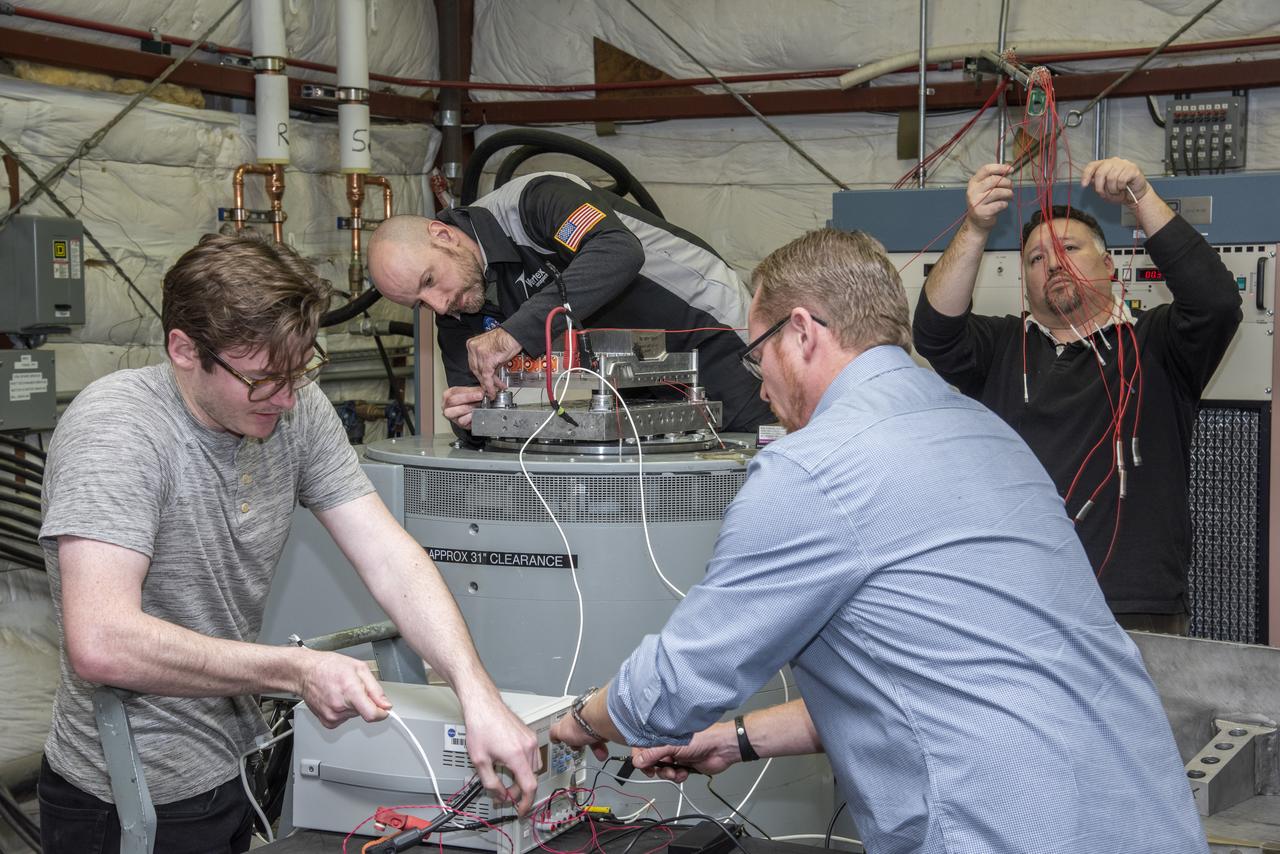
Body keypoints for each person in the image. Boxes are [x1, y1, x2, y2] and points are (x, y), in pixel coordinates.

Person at [548, 228, 1206, 854]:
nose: (760, 383)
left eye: (758, 353)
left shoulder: (814, 469)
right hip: (1145, 813)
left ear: (802, 332)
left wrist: (574, 725)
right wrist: (737, 740)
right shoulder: (983, 431)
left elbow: (679, 683)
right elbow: (931, 677)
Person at [37, 232, 540, 853]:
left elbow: (389, 557)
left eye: (299, 369)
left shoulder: (294, 408)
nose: (283, 395)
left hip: (234, 764)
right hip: (127, 796)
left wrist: (476, 694)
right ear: (184, 349)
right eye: (261, 379)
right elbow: (102, 641)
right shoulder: (117, 433)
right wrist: (295, 669)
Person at [912, 157, 1242, 634]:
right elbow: (935, 331)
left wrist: (1141, 196)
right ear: (1023, 280)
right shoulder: (1004, 348)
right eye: (1036, 259)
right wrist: (977, 225)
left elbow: (1215, 302)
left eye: (1069, 247)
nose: (1053, 263)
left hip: (1132, 605)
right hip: (1018, 602)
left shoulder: (1159, 343)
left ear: (1108, 265)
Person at [366, 171, 774, 441]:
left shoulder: (533, 201)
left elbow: (617, 250)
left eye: (429, 282)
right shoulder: (457, 302)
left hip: (711, 333)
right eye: (419, 304)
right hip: (637, 380)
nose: (438, 305)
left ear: (443, 235)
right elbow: (476, 413)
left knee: (748, 465)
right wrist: (471, 418)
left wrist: (515, 331)